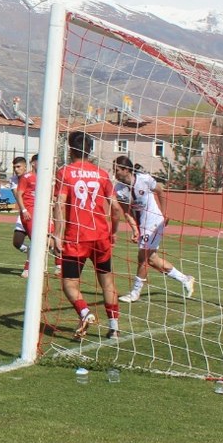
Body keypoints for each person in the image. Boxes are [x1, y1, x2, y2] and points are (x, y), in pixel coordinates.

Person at [51, 131, 125, 340]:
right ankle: (114, 328)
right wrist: (113, 232)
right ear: (90, 150)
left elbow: (59, 204)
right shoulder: (102, 174)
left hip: (76, 237)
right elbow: (116, 209)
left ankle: (85, 313)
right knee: (107, 282)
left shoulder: (65, 172)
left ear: (70, 149)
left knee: (69, 283)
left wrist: (57, 235)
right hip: (101, 236)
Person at [112, 155, 195, 303]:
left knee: (143, 257)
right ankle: (185, 279)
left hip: (154, 220)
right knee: (151, 259)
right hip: (142, 224)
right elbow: (127, 212)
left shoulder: (143, 179)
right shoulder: (119, 190)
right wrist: (135, 229)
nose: (115, 173)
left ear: (126, 170)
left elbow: (160, 191)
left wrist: (165, 213)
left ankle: (135, 293)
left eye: (117, 170)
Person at [11, 155, 37, 278]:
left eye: (19, 167)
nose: (16, 170)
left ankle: (58, 266)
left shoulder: (33, 177)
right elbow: (17, 195)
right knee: (17, 242)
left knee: (35, 240)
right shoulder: (14, 180)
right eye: (14, 167)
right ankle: (32, 252)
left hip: (34, 213)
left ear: (26, 166)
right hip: (24, 212)